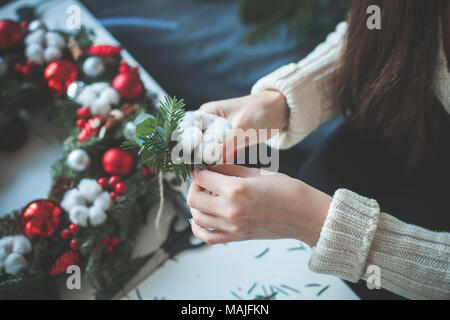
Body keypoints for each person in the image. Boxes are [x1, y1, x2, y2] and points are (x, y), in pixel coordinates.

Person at [186, 0, 450, 299]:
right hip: (414, 120)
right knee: (324, 176)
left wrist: (317, 223)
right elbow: (383, 25)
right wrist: (277, 102)